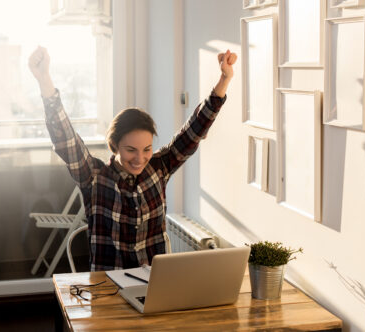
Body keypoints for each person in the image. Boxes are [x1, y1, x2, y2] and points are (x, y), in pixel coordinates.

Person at [28, 46, 236, 271]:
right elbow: (65, 139)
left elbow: (193, 131)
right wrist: (44, 79)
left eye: (146, 149)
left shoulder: (159, 168)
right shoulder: (94, 177)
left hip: (154, 284)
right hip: (108, 287)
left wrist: (224, 79)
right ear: (114, 145)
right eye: (130, 150)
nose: (140, 158)